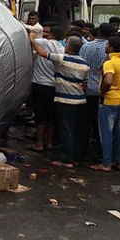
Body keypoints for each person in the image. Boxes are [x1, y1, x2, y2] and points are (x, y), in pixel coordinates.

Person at [30, 35, 89, 168]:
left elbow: (42, 53)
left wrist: (32, 40)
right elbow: (84, 85)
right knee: (76, 130)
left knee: (66, 130)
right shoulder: (85, 64)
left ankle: (67, 160)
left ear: (68, 47)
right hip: (80, 100)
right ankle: (76, 158)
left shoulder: (63, 58)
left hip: (65, 100)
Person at [90, 36, 120, 172]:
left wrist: (103, 92)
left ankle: (106, 163)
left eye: (107, 44)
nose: (105, 46)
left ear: (111, 47)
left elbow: (108, 81)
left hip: (108, 101)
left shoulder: (109, 63)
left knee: (106, 133)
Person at [79, 23, 114, 159]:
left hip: (86, 88)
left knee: (84, 124)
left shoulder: (87, 46)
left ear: (98, 32)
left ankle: (81, 152)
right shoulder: (111, 50)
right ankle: (101, 154)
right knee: (102, 125)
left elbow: (81, 65)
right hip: (103, 90)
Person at [27, 25, 64, 152]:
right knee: (51, 116)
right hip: (55, 85)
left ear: (52, 35)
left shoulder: (44, 43)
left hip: (40, 84)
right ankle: (49, 142)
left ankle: (39, 143)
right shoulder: (62, 47)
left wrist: (32, 36)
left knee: (40, 115)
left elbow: (30, 38)